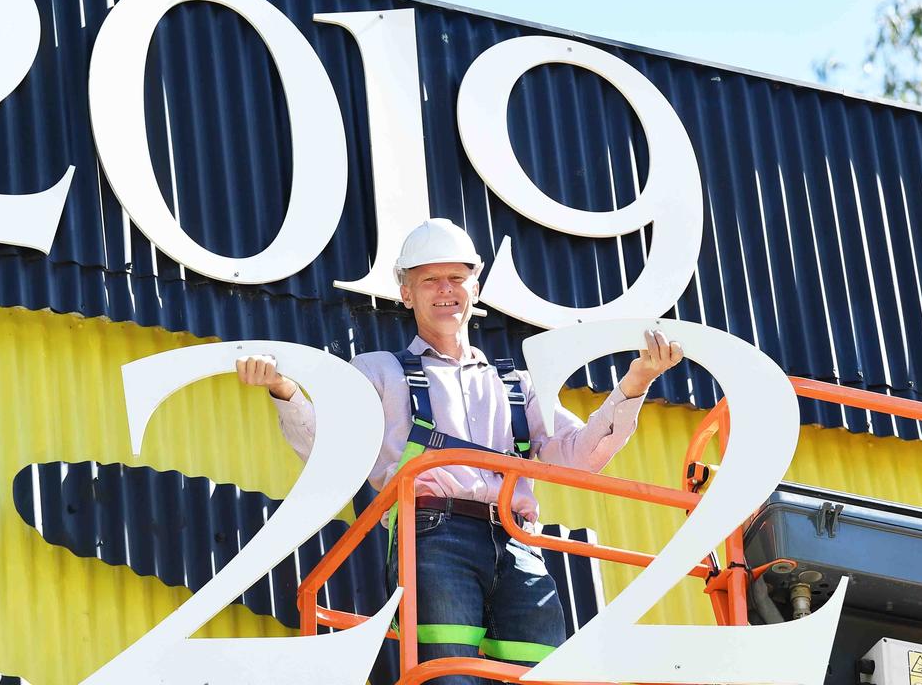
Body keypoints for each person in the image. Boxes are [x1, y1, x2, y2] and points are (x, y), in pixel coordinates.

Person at [236, 218, 682, 684]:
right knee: (450, 677)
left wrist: (636, 383)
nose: (445, 289)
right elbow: (330, 448)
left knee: (540, 678)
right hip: (433, 536)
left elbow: (577, 455)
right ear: (406, 292)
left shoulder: (515, 384)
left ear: (476, 283)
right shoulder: (379, 373)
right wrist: (284, 389)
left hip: (519, 542)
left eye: (456, 277)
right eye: (429, 279)